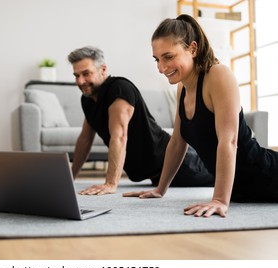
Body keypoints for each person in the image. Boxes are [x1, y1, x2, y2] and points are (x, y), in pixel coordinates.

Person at [124, 14, 278, 217]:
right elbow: (178, 143)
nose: (161, 68)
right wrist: (160, 190)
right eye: (157, 59)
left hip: (268, 175)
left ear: (193, 49)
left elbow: (229, 141)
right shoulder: (183, 89)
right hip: (241, 191)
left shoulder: (218, 75)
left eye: (168, 57)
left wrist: (220, 200)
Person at [67, 46, 214, 195]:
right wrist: (69, 178)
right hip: (159, 175)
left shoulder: (118, 89)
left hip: (182, 164)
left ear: (103, 69)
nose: (80, 81)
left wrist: (110, 183)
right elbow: (85, 140)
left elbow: (119, 136)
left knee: (230, 179)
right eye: (76, 75)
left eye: (86, 74)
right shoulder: (88, 100)